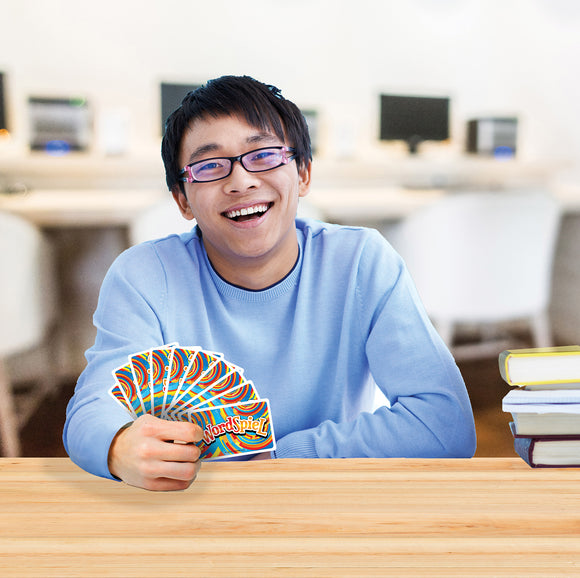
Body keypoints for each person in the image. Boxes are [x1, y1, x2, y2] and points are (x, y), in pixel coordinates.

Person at [63, 75, 476, 491]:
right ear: (182, 200)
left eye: (263, 155)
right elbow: (92, 410)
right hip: (194, 502)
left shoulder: (361, 263)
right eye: (210, 166)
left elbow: (444, 424)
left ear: (303, 173)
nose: (241, 181)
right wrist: (117, 444)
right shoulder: (145, 275)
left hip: (327, 493)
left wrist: (279, 456)